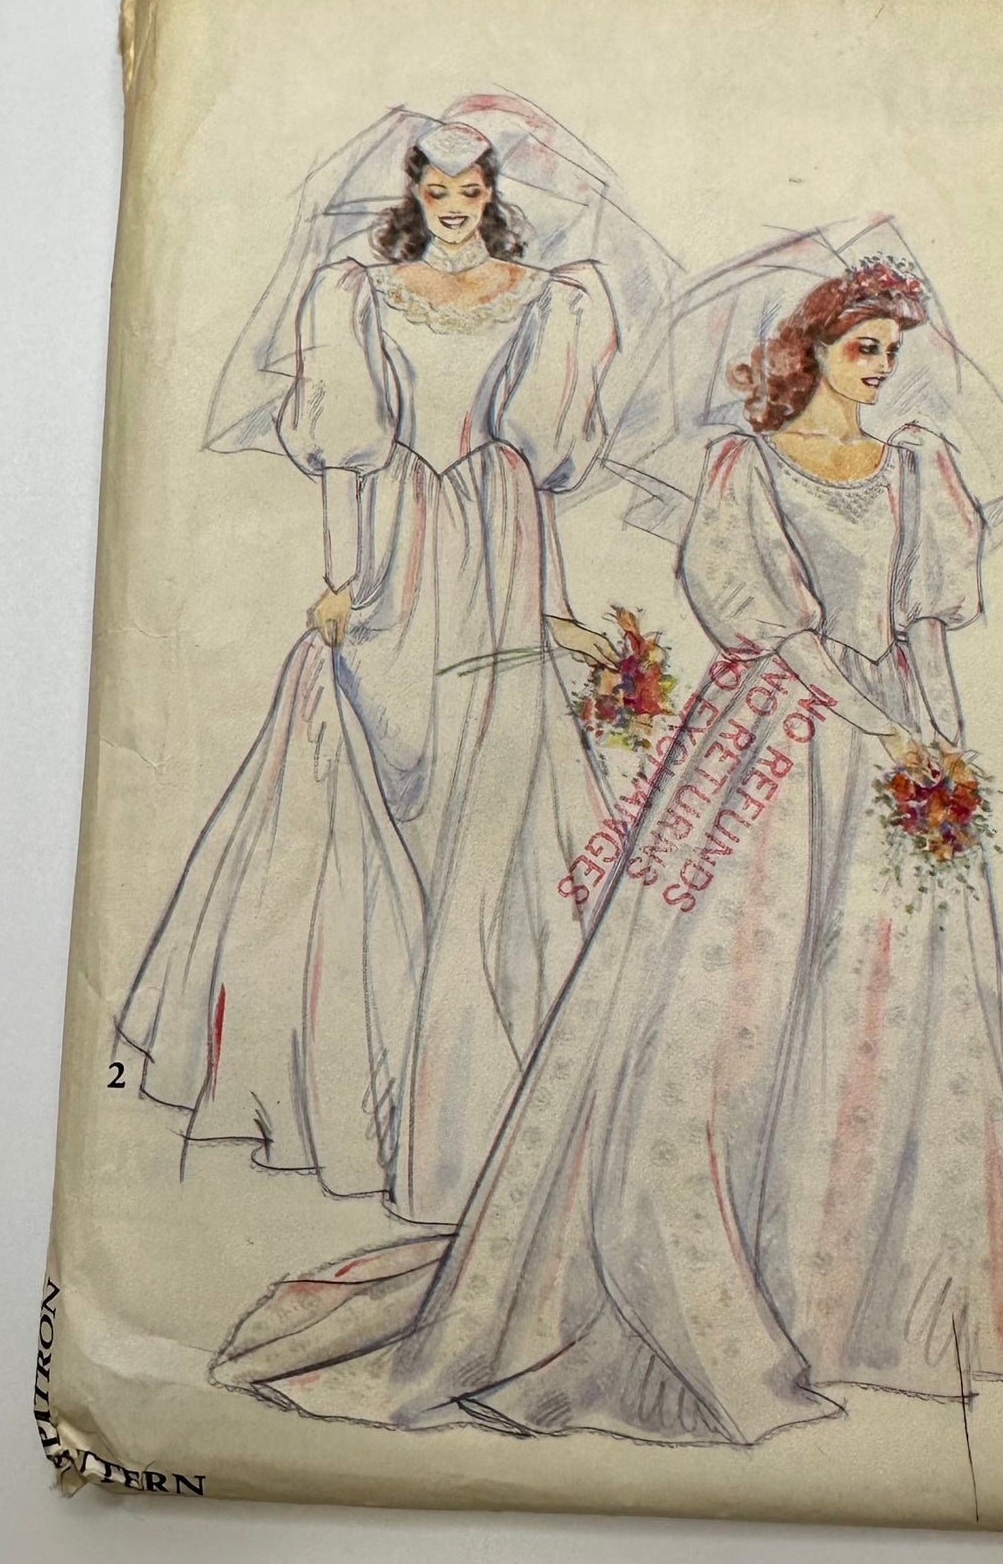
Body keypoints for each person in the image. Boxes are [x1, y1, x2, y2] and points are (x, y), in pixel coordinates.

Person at [209, 257, 1003, 1444]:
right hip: (778, 745)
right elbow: (776, 632)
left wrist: (934, 748)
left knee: (903, 1004)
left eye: (893, 351)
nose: (880, 368)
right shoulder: (747, 466)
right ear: (810, 350)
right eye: (863, 346)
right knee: (726, 1010)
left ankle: (865, 1305)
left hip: (893, 752)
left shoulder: (920, 471)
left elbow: (925, 633)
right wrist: (879, 722)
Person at [117, 120, 622, 1228]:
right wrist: (342, 578)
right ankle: (371, 1083)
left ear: (492, 194)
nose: (455, 205)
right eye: (438, 190)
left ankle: (477, 1097)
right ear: (414, 196)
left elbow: (541, 468)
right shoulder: (355, 294)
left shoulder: (552, 300)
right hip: (397, 541)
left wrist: (550, 608)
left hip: (497, 542)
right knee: (371, 776)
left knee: (495, 795)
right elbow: (343, 451)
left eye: (471, 188)